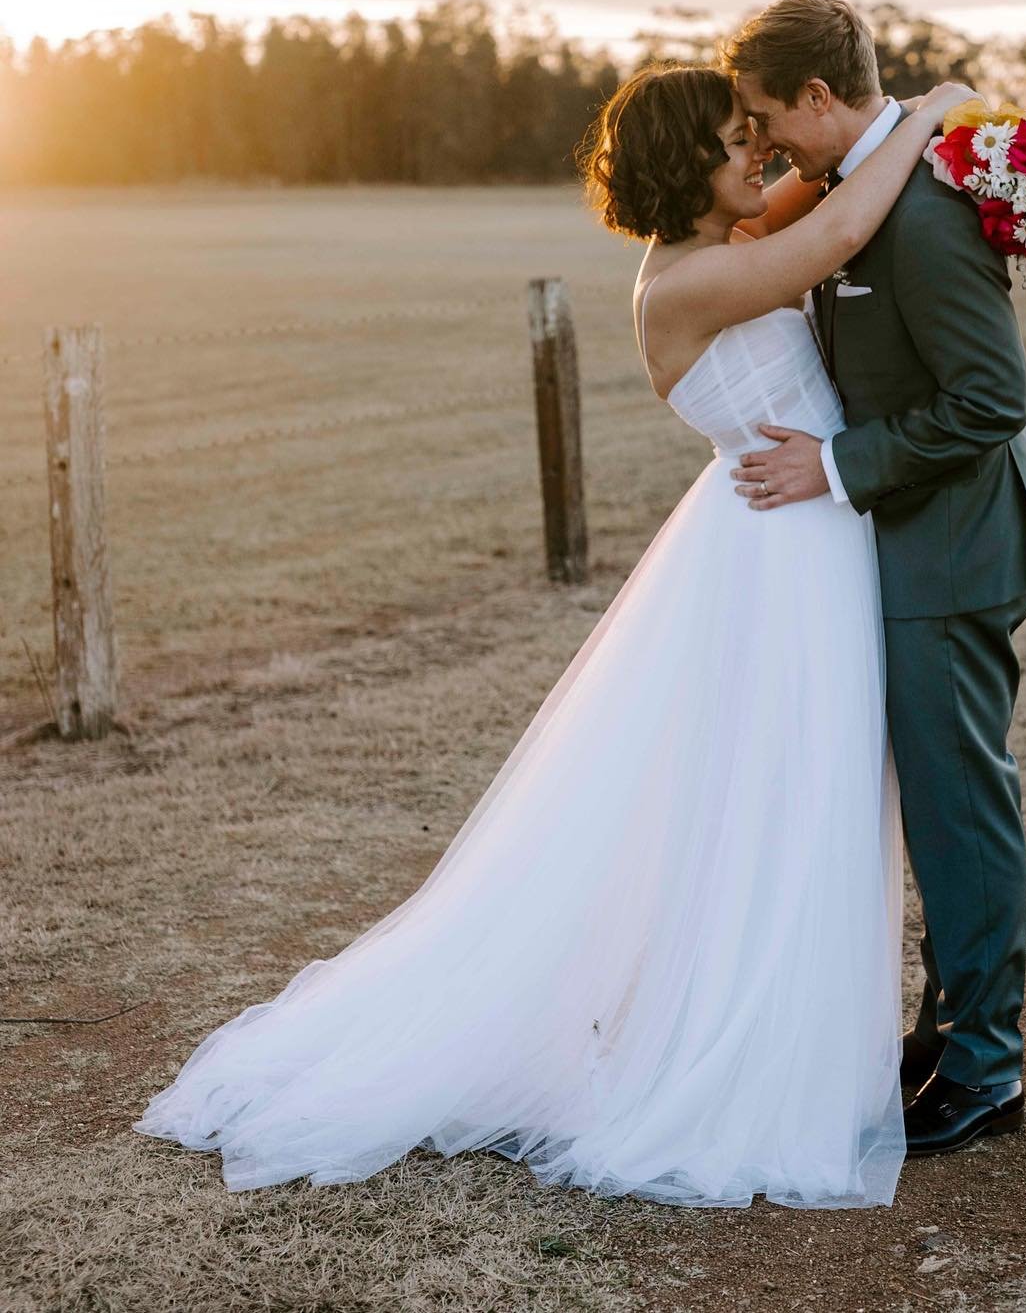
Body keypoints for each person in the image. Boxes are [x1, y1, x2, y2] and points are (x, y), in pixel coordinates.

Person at [134, 62, 969, 1209]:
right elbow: (839, 231)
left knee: (796, 789)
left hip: (799, 538)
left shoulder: (721, 243)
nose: (759, 155)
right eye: (739, 140)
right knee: (788, 788)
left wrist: (892, 136)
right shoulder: (683, 284)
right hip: (778, 554)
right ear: (688, 165)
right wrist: (927, 117)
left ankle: (791, 1028)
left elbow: (819, 199)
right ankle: (744, 1046)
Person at [725, 0, 1026, 1155]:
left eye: (770, 118)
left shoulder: (918, 215)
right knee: (930, 806)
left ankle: (986, 1070)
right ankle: (947, 1027)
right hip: (909, 544)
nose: (763, 143)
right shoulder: (856, 191)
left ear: (822, 97)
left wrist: (837, 465)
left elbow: (990, 401)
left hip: (955, 548)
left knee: (960, 811)